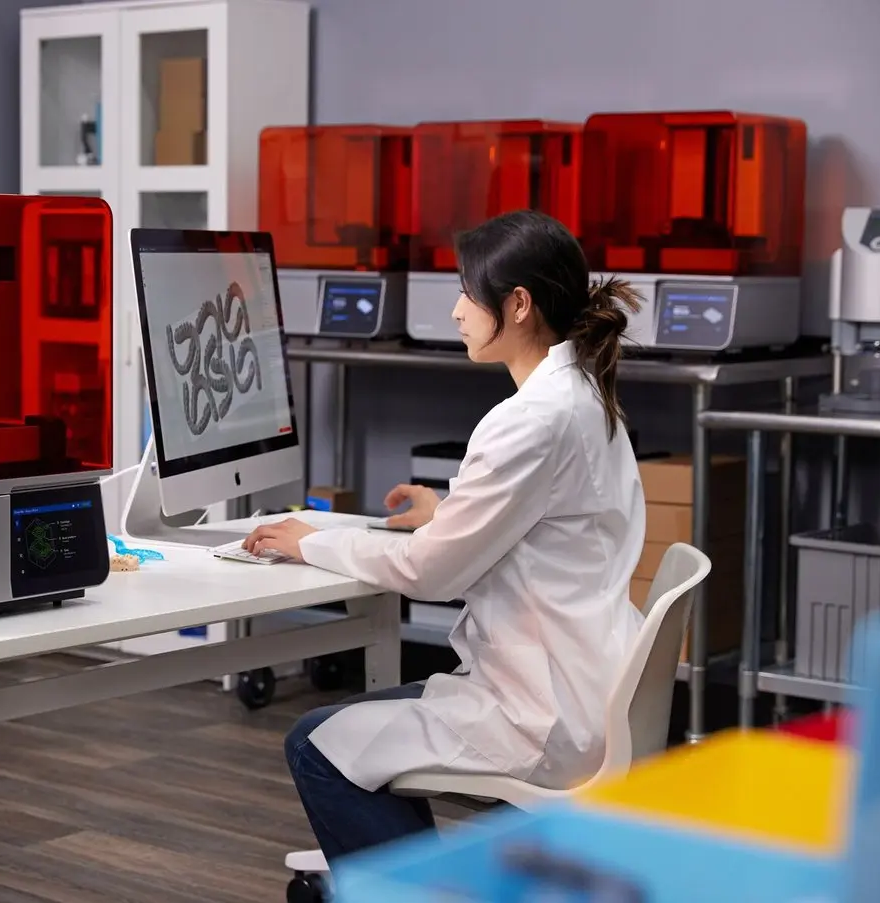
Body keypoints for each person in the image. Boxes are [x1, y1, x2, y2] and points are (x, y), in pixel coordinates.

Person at [243, 209, 647, 864]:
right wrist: (450, 510)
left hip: (541, 712)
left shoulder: (529, 419)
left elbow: (430, 574)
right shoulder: (585, 394)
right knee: (352, 739)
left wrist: (308, 541)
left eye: (467, 292)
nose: (458, 311)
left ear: (517, 305)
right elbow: (544, 522)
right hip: (588, 688)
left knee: (315, 746)